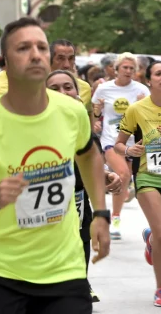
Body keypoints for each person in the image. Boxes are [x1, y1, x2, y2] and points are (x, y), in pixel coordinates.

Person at [0, 18, 111, 314]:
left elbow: (89, 154)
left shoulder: (71, 112)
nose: (35, 54)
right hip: (1, 273)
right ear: (5, 62)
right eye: (24, 47)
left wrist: (102, 213)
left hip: (65, 271)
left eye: (42, 47)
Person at [46, 70, 122, 305]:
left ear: (78, 95)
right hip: (41, 209)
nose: (63, 92)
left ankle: (81, 283)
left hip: (78, 200)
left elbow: (93, 161)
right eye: (55, 88)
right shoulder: (31, 126)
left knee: (80, 242)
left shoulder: (84, 129)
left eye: (68, 87)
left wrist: (108, 175)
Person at [115, 61, 161, 307]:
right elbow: (118, 144)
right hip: (147, 176)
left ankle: (150, 240)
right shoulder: (136, 109)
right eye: (158, 74)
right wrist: (129, 149)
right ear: (149, 80)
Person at [92, 52, 150, 240]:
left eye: (132, 68)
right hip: (111, 140)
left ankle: (117, 206)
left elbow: (150, 116)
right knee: (123, 174)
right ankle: (115, 219)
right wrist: (97, 115)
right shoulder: (103, 89)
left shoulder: (141, 90)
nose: (128, 71)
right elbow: (94, 113)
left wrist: (143, 106)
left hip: (134, 143)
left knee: (132, 181)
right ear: (116, 69)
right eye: (125, 67)